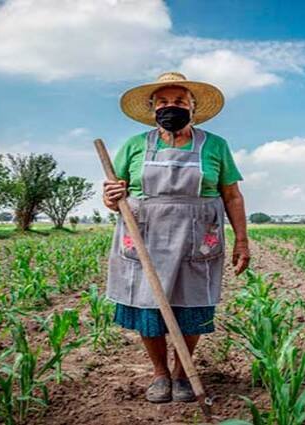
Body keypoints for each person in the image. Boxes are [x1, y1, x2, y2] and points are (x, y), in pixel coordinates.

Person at [102, 71, 251, 403]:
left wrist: (242, 240)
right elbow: (113, 196)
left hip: (196, 237)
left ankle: (183, 373)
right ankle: (160, 374)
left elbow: (232, 196)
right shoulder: (134, 145)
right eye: (164, 102)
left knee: (192, 303)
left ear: (193, 107)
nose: (172, 107)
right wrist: (111, 196)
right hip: (145, 235)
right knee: (147, 305)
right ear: (153, 108)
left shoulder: (215, 145)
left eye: (180, 101)